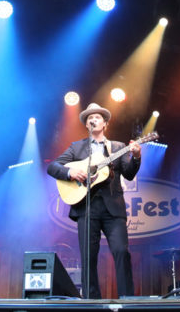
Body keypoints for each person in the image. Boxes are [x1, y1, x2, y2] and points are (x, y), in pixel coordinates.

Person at [47, 102, 141, 299]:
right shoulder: (77, 147)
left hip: (113, 209)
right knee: (88, 257)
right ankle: (92, 301)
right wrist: (71, 171)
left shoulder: (117, 147)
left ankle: (128, 299)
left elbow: (130, 174)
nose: (93, 119)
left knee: (121, 252)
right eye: (89, 118)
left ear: (105, 123)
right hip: (87, 207)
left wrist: (136, 157)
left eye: (97, 117)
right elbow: (53, 167)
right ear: (86, 124)